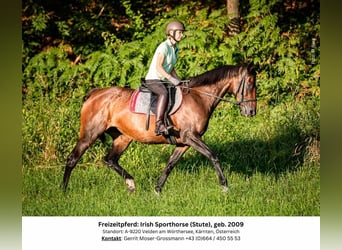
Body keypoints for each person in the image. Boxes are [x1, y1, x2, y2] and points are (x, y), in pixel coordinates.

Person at [145, 20, 185, 135]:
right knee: (164, 93)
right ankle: (159, 125)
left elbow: (171, 67)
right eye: (179, 33)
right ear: (171, 33)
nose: (181, 35)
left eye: (182, 33)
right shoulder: (164, 46)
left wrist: (179, 80)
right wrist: (170, 78)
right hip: (153, 80)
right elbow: (158, 66)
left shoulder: (175, 48)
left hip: (163, 80)